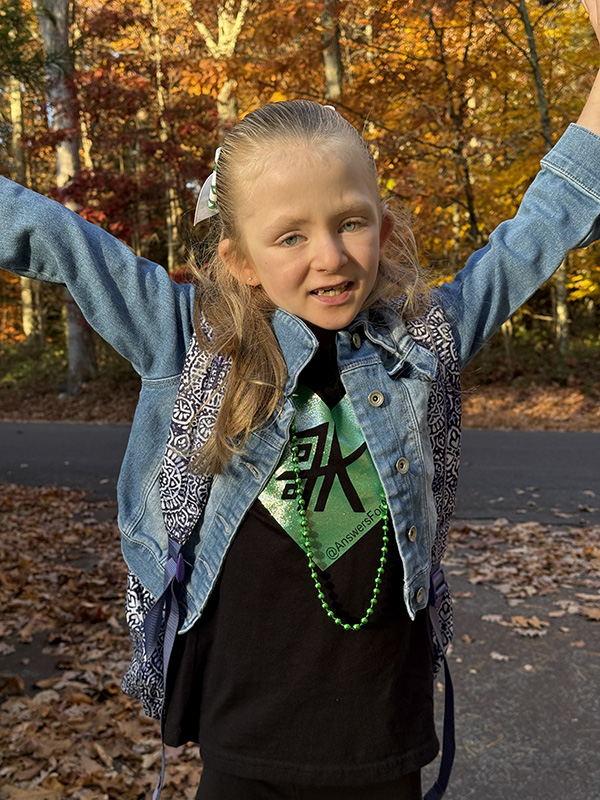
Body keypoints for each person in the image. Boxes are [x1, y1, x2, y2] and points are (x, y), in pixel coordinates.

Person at [2, 2, 600, 797]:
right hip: (245, 735)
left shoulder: (426, 339)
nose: (328, 256)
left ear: (383, 231)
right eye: (289, 237)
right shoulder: (188, 341)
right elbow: (53, 237)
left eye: (350, 223)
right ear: (241, 259)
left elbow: (541, 229)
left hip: (382, 733)